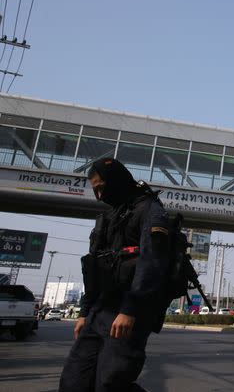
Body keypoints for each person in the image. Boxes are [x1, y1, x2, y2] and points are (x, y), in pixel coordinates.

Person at [59, 158, 171, 392]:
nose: (99, 195)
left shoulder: (149, 210)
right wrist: (84, 313)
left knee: (110, 383)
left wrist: (130, 309)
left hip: (129, 313)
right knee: (73, 382)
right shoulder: (108, 217)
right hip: (99, 310)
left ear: (116, 180)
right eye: (95, 190)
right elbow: (93, 268)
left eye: (101, 187)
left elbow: (152, 263)